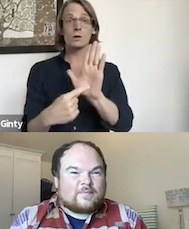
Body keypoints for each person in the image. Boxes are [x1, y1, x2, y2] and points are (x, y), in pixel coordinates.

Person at [2, 140, 162, 229]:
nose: (86, 181)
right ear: (56, 180)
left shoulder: (129, 219)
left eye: (95, 172)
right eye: (74, 172)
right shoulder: (28, 219)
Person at [22, 0, 133, 132]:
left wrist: (97, 97)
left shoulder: (109, 71)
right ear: (61, 29)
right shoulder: (40, 71)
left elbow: (125, 124)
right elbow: (27, 129)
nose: (77, 26)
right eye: (70, 20)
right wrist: (47, 117)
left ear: (94, 28)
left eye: (84, 20)